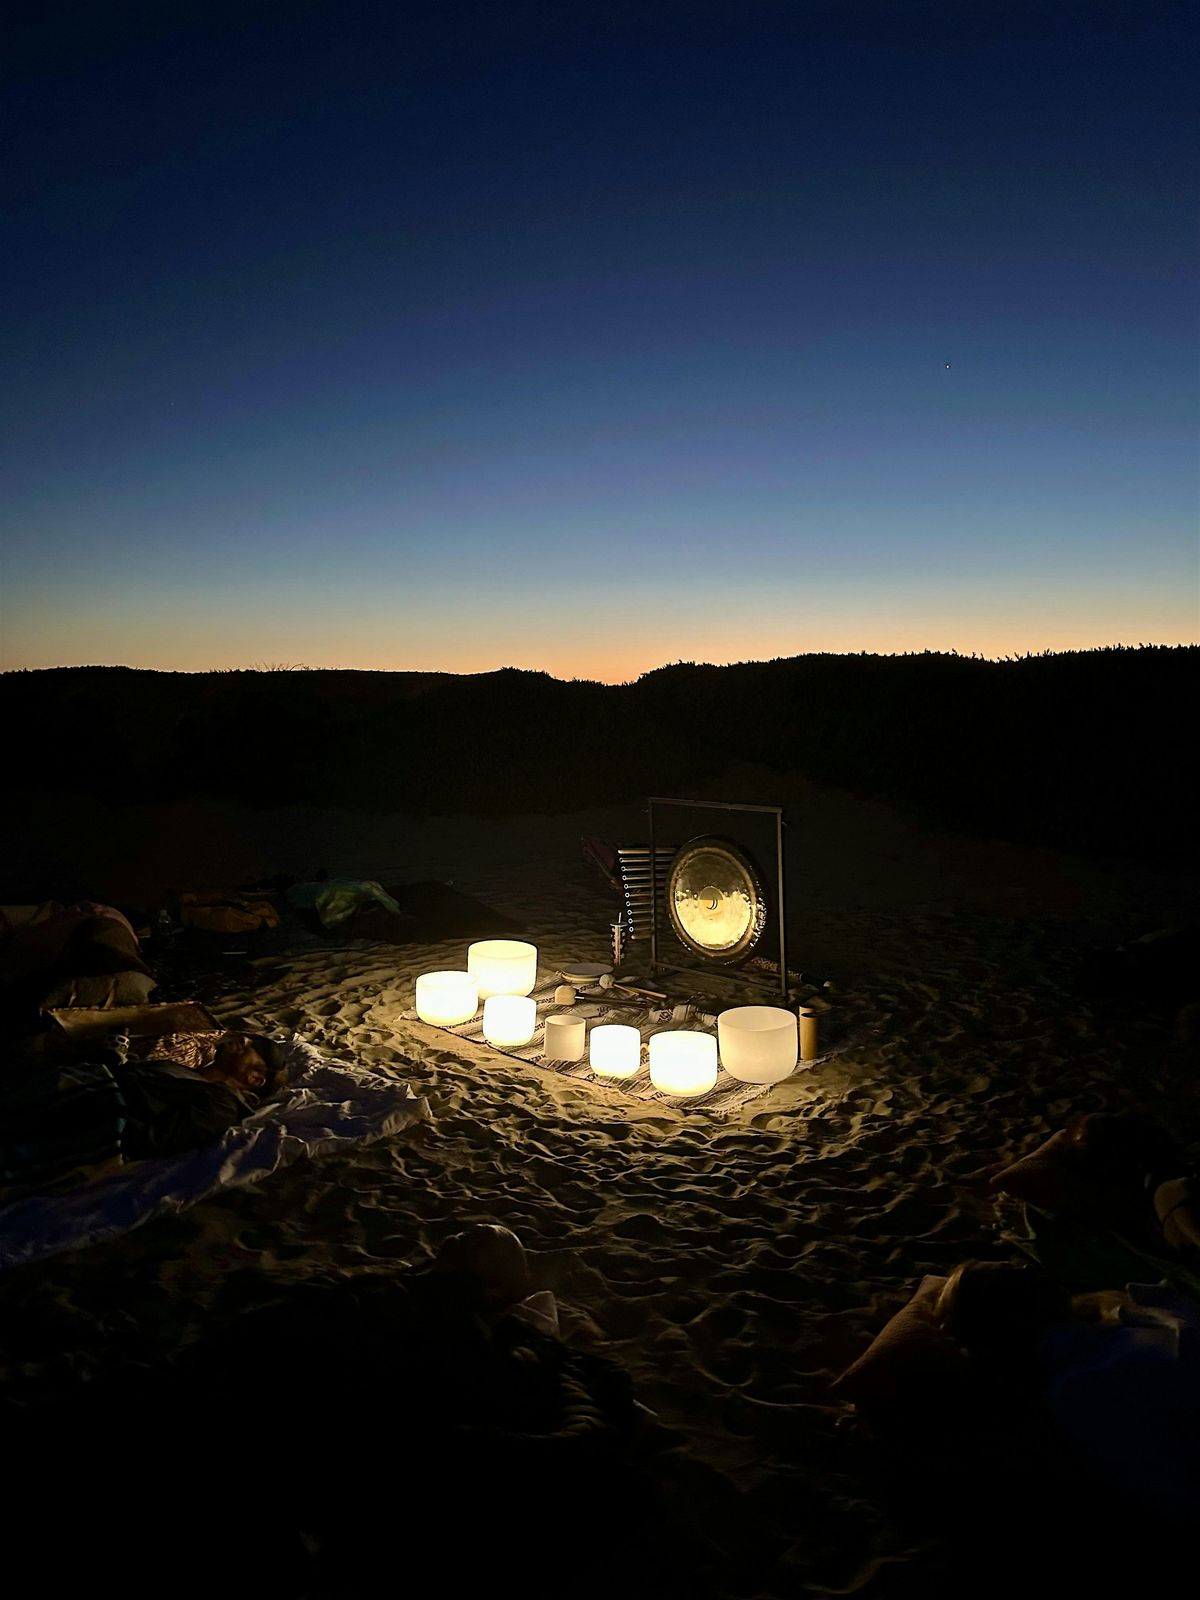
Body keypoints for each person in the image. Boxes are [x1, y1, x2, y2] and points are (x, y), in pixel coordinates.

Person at [935, 1259, 1200, 1528]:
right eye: (1008, 1276)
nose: (1027, 1268)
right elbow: (1172, 1489)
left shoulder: (1116, 1317)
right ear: (998, 1318)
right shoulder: (1083, 1387)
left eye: (1017, 1265)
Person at [0, 1031, 289, 1193]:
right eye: (249, 1038)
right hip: (69, 1088)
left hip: (78, 1110)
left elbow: (156, 1139)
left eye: (255, 1047)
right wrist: (111, 1059)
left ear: (254, 1078)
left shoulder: (221, 1104)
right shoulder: (186, 1072)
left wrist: (98, 1112)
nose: (244, 1041)